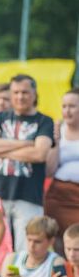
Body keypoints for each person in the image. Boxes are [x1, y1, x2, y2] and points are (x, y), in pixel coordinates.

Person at [0, 74, 54, 253]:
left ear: (34, 94)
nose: (20, 97)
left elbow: (39, 154)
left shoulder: (44, 121)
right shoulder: (1, 118)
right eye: (15, 92)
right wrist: (26, 144)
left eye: (25, 92)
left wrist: (2, 150)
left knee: (25, 250)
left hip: (28, 196)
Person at [44, 88, 79, 256]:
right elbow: (50, 170)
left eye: (72, 106)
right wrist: (55, 143)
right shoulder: (58, 130)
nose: (67, 111)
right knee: (59, 240)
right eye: (64, 106)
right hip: (59, 194)